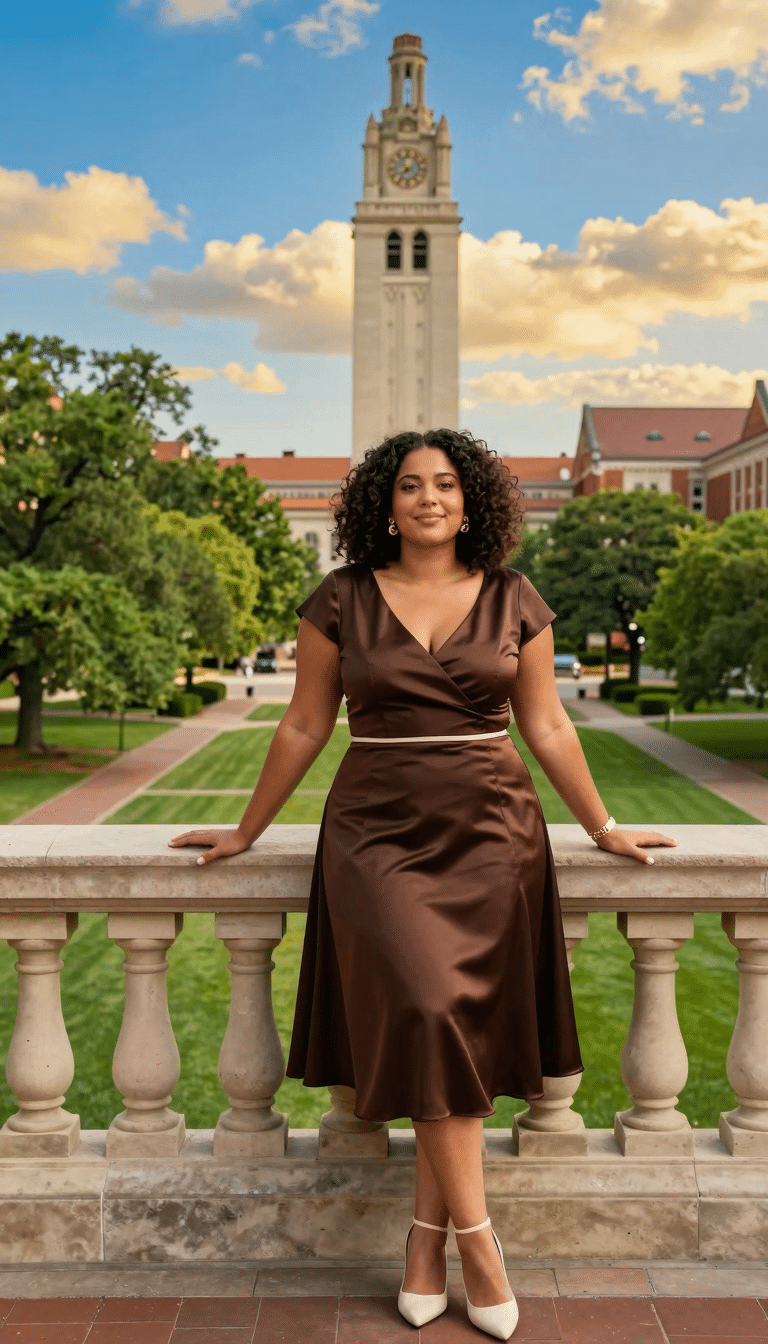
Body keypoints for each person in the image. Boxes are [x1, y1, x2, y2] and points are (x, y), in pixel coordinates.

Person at [170, 429, 678, 1340]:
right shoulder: (340, 598)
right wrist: (245, 829)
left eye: (445, 484)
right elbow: (303, 725)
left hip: (492, 831)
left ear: (472, 500)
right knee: (430, 1006)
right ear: (384, 504)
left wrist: (604, 827)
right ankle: (480, 1243)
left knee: (453, 1031)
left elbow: (549, 728)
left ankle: (424, 1240)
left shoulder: (516, 596)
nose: (429, 499)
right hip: (375, 833)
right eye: (410, 486)